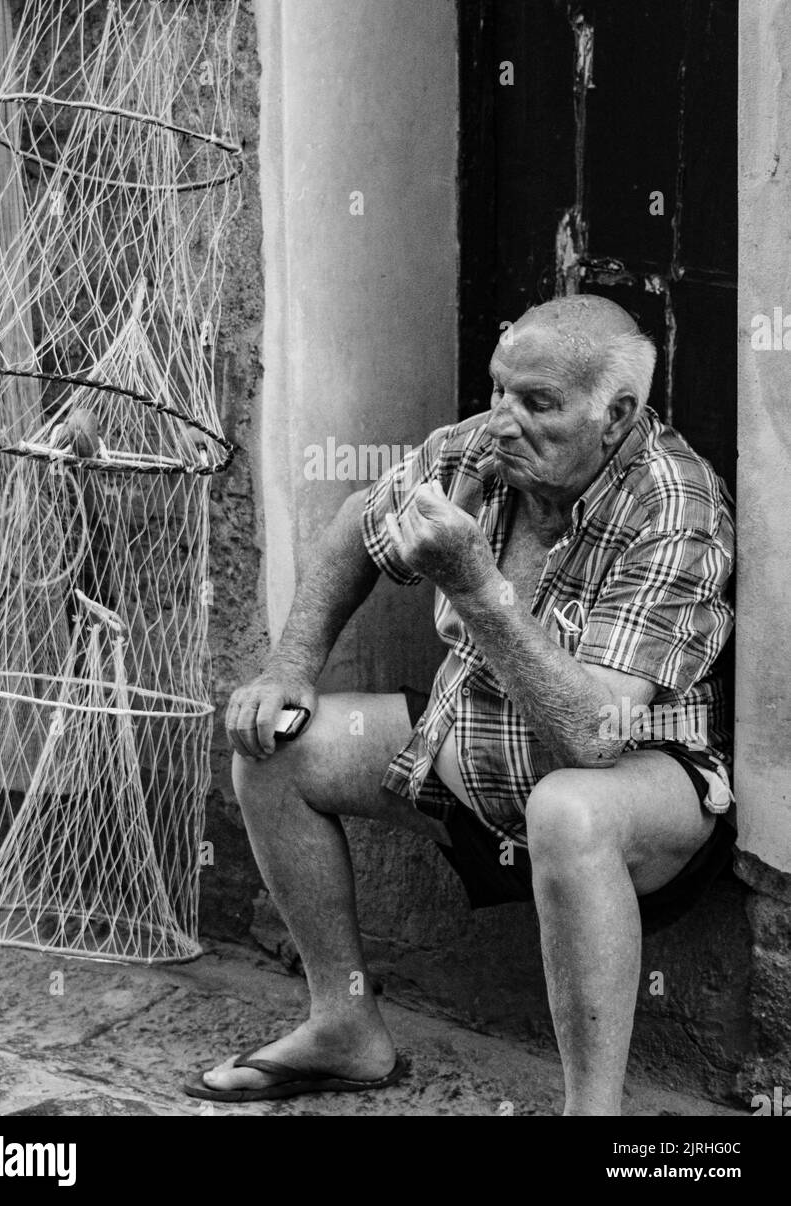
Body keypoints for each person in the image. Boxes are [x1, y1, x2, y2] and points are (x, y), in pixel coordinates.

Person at [184, 294, 735, 1115]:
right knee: (277, 749)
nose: (503, 421)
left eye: (538, 403)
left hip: (635, 789)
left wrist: (478, 584)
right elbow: (355, 528)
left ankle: (596, 1117)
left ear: (616, 416)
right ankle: (344, 1027)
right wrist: (290, 666)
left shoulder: (673, 504)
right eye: (498, 390)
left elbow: (594, 735)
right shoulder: (483, 448)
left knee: (569, 809)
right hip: (467, 757)